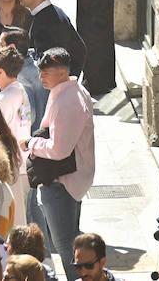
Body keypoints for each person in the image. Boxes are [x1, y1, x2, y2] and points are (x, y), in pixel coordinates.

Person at [23, 49, 95, 281]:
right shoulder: (70, 92)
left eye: (47, 72)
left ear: (63, 72)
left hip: (62, 182)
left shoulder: (68, 100)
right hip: (68, 179)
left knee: (65, 244)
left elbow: (59, 149)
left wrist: (31, 143)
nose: (41, 76)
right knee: (70, 240)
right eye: (40, 71)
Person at [20, 0, 87, 78]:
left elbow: (46, 62)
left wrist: (66, 80)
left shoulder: (47, 21)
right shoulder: (51, 13)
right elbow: (80, 48)